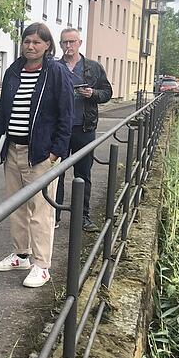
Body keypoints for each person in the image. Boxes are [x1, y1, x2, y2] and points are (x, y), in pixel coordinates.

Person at [0, 22, 74, 288]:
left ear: (47, 45)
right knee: (17, 206)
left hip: (40, 155)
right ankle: (21, 254)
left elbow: (66, 114)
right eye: (27, 41)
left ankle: (42, 265)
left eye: (37, 42)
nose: (31, 46)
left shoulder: (56, 73)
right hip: (13, 149)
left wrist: (56, 151)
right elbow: (3, 109)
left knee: (41, 211)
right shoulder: (14, 70)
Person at [55, 28, 112, 232]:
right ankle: (54, 216)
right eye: (64, 42)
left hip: (84, 128)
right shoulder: (54, 67)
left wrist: (92, 93)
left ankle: (83, 216)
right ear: (60, 45)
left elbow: (107, 92)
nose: (68, 46)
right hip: (59, 130)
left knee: (83, 174)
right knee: (56, 174)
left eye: (72, 42)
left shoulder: (93, 68)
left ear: (79, 43)